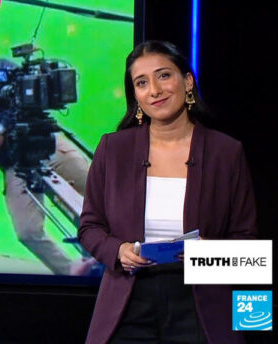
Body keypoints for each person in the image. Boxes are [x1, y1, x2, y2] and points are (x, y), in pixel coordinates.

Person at [77, 41, 258, 344]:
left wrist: (208, 254)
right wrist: (118, 251)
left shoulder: (226, 152)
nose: (154, 90)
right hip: (129, 301)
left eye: (163, 76)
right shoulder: (113, 149)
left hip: (201, 302)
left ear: (187, 81)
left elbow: (248, 243)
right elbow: (89, 227)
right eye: (141, 83)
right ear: (135, 96)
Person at [0, 46, 90, 275]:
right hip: (15, 165)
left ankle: (120, 249)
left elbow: (25, 99)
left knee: (98, 191)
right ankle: (74, 273)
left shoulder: (0, 68)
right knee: (27, 231)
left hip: (48, 145)